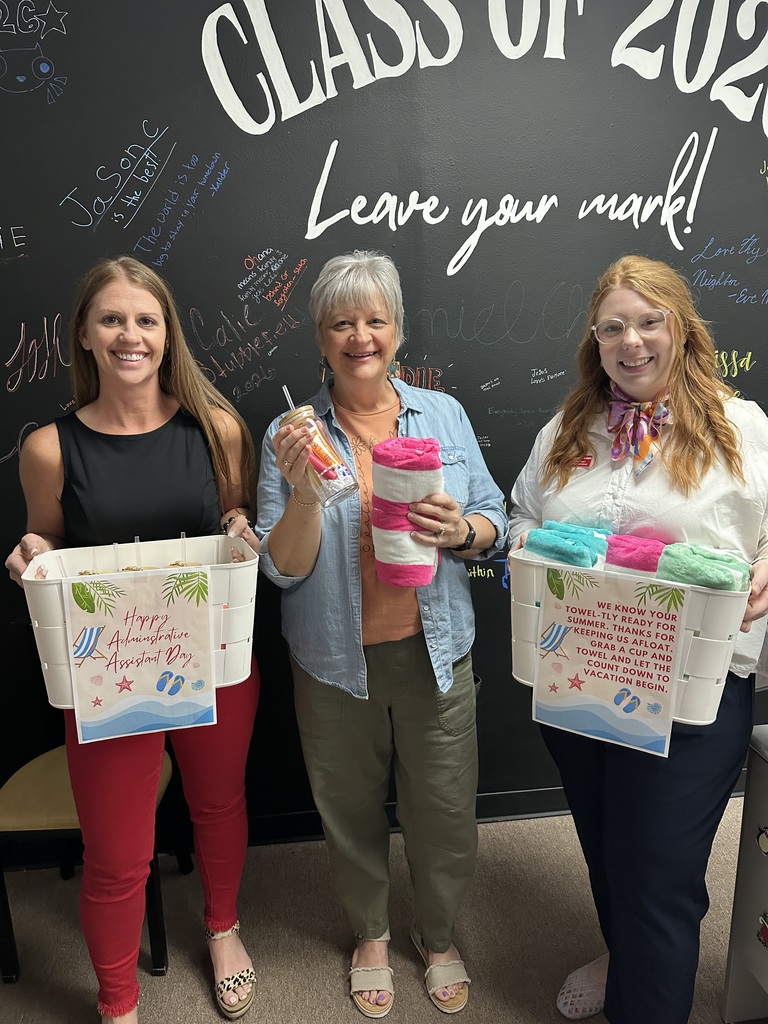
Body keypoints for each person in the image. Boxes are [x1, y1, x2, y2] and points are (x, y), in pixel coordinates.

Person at [508, 254, 768, 1024]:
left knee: (659, 871)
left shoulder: (742, 427)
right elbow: (523, 518)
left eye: (649, 321)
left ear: (680, 327)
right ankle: (622, 946)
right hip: (581, 677)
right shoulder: (567, 429)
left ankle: (645, 987)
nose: (632, 341)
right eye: (614, 326)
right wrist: (546, 550)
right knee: (606, 841)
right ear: (595, 339)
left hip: (695, 689)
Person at [5, 256, 261, 1024]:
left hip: (213, 654)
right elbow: (44, 537)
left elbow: (235, 516)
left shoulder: (215, 428)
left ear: (166, 332)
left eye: (146, 320)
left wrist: (241, 529)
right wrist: (27, 552)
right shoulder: (49, 448)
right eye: (112, 319)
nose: (130, 335)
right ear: (83, 334)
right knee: (117, 854)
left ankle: (223, 928)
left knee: (218, 803)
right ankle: (118, 1004)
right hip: (108, 669)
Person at [256, 250, 507, 1017]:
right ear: (320, 335)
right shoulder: (291, 432)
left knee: (444, 810)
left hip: (436, 655)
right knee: (349, 807)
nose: (359, 336)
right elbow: (282, 572)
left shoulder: (447, 415)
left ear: (397, 330)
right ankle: (369, 933)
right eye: (342, 322)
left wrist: (462, 528)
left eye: (375, 319)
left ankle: (436, 935)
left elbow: (497, 520)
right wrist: (302, 492)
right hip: (334, 663)